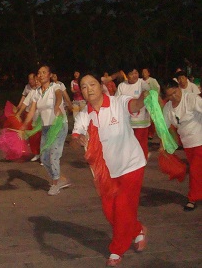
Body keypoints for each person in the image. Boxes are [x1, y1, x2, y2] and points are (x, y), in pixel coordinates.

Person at [72, 72, 149, 267]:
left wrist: (142, 98)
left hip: (130, 165)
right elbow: (74, 139)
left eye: (92, 84)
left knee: (122, 207)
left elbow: (134, 106)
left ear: (101, 85)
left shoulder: (117, 102)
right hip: (104, 172)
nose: (88, 89)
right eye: (83, 86)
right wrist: (79, 140)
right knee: (110, 212)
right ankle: (137, 229)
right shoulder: (83, 114)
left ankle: (116, 250)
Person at [21, 65, 71, 195]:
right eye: (39, 73)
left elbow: (59, 96)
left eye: (44, 72)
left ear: (49, 75)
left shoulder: (55, 87)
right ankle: (59, 178)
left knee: (54, 156)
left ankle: (55, 184)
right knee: (43, 157)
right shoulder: (36, 92)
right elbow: (32, 110)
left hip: (59, 125)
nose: (41, 75)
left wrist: (56, 106)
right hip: (46, 127)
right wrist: (25, 124)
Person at [162, 80, 202, 211]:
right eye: (170, 95)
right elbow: (165, 128)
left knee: (195, 171)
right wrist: (163, 145)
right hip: (188, 144)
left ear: (179, 88)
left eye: (175, 92)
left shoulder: (191, 98)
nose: (174, 96)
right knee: (197, 171)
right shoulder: (168, 108)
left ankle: (192, 198)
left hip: (200, 140)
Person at [115, 66, 151, 159]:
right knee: (128, 144)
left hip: (141, 122)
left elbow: (150, 97)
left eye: (136, 73)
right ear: (127, 75)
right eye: (131, 73)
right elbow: (116, 102)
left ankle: (142, 161)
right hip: (127, 122)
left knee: (140, 144)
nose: (134, 75)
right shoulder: (122, 86)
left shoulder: (143, 83)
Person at [14, 73, 42, 162]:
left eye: (38, 80)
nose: (36, 82)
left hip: (45, 119)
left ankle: (44, 156)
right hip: (35, 118)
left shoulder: (48, 91)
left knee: (44, 138)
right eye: (36, 80)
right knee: (34, 137)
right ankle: (37, 153)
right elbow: (25, 103)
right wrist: (18, 113)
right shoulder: (33, 92)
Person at [142, 68, 160, 139]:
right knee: (145, 117)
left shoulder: (153, 80)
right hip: (143, 102)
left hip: (151, 101)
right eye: (142, 72)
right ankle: (145, 132)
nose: (143, 74)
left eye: (145, 72)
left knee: (151, 117)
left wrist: (154, 98)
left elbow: (157, 89)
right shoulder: (140, 81)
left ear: (148, 73)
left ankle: (151, 133)